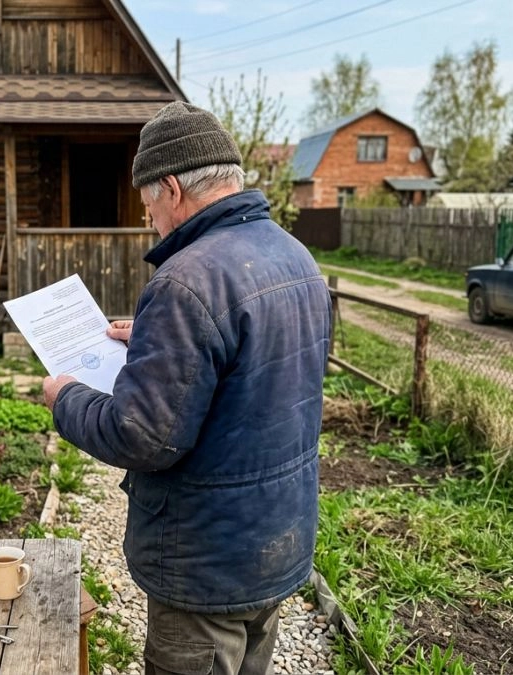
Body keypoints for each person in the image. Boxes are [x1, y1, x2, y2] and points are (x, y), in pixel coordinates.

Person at [42, 101, 332, 675]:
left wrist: (66, 396)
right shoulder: (296, 258)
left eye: (148, 203)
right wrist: (154, 340)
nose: (149, 217)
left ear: (171, 188)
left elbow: (143, 438)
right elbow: (263, 373)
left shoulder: (186, 280)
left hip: (205, 559)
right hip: (277, 537)